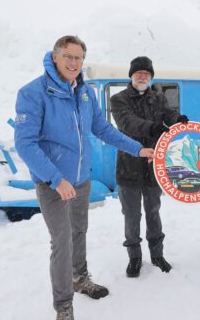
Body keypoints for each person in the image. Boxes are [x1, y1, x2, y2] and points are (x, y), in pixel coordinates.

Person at [14, 36, 154, 320]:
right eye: (68, 56)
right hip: (53, 184)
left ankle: (79, 278)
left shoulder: (85, 92)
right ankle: (63, 306)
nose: (74, 63)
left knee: (79, 233)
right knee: (62, 241)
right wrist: (56, 179)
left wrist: (138, 149)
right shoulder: (33, 93)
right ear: (55, 57)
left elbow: (103, 129)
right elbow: (25, 144)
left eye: (79, 58)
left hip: (80, 181)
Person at [110, 56, 189, 278]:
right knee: (131, 215)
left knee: (154, 212)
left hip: (155, 167)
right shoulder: (119, 99)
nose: (142, 76)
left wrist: (178, 119)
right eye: (138, 73)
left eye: (147, 73)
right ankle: (134, 258)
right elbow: (127, 123)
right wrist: (154, 128)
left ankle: (157, 255)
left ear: (151, 76)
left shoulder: (159, 98)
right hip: (129, 167)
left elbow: (169, 116)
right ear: (131, 76)